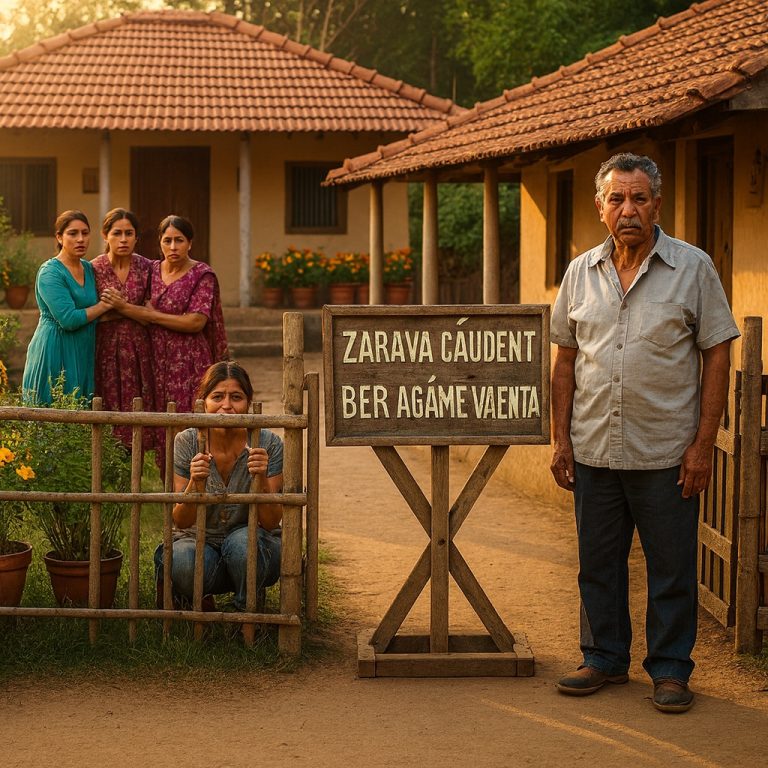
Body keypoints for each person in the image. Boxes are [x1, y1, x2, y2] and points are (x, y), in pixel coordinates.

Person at [550, 153, 740, 713]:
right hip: (594, 449)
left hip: (665, 451)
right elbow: (565, 362)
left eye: (638, 199)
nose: (627, 210)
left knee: (671, 566)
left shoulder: (693, 268)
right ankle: (603, 658)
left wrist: (703, 445)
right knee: (598, 562)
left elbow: (717, 356)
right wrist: (561, 441)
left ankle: (671, 670)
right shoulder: (580, 272)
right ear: (600, 207)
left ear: (657, 204)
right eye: (617, 199)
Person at [101, 214, 228, 471]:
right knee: (164, 431)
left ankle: (199, 491)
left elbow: (195, 322)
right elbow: (135, 308)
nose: (173, 247)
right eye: (167, 240)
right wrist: (126, 309)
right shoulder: (152, 271)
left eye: (179, 240)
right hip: (156, 362)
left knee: (191, 426)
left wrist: (151, 315)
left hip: (189, 362)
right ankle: (170, 496)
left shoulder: (202, 275)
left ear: (190, 243)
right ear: (159, 242)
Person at [153, 361, 282, 610]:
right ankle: (202, 596)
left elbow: (270, 522)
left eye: (236, 397)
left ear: (249, 403)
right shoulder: (188, 441)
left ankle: (244, 612)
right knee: (185, 563)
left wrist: (261, 478)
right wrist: (195, 483)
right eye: (217, 397)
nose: (227, 406)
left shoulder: (268, 443)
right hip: (197, 542)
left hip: (252, 547)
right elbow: (180, 520)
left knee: (244, 544)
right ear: (203, 402)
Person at [22, 210, 111, 404]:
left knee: (79, 420)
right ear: (59, 237)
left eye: (85, 233)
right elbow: (68, 319)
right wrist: (104, 306)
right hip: (55, 349)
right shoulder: (50, 272)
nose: (80, 239)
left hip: (83, 348)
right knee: (52, 416)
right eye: (73, 233)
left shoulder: (89, 268)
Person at [92, 208, 155, 452]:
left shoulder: (148, 268)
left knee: (137, 408)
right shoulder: (93, 269)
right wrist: (133, 311)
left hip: (139, 351)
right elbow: (91, 312)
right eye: (117, 233)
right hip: (104, 351)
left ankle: (136, 467)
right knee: (105, 407)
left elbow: (150, 316)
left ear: (137, 238)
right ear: (105, 235)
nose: (123, 239)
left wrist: (118, 306)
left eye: (129, 233)